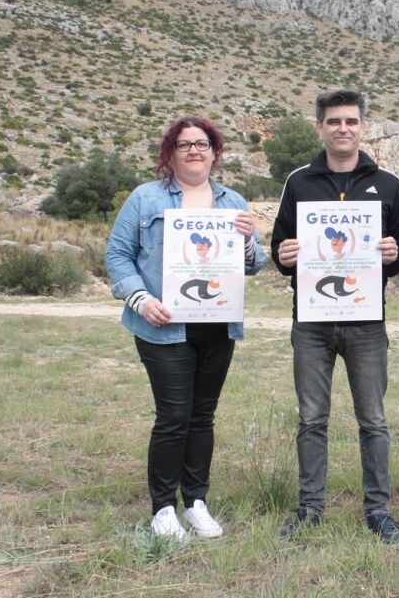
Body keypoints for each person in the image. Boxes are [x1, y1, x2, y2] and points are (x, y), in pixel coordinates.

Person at [106, 116, 268, 540]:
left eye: (202, 144)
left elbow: (254, 265)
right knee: (173, 416)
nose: (194, 151)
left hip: (217, 326)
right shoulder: (145, 199)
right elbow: (117, 256)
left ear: (215, 152)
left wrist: (249, 241)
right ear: (170, 153)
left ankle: (196, 501)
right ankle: (163, 508)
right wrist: (140, 299)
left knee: (202, 416)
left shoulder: (233, 201)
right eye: (184, 145)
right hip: (164, 327)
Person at [270, 89, 399, 543]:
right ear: (320, 127)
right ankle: (310, 509)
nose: (343, 129)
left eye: (351, 121)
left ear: (363, 127)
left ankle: (379, 510)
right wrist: (284, 254)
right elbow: (279, 247)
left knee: (373, 419)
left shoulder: (387, 183)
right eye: (334, 122)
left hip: (367, 320)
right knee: (312, 418)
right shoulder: (299, 182)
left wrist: (394, 253)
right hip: (310, 321)